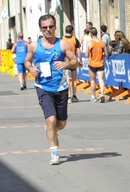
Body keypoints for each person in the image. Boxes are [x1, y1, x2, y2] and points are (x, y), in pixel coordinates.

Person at [24, 14, 78, 165]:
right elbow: (27, 61)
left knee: (61, 124)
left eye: (51, 27)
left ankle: (51, 129)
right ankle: (55, 153)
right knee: (51, 120)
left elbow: (75, 61)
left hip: (61, 87)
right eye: (44, 27)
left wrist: (66, 64)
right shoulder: (34, 45)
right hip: (43, 87)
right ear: (40, 29)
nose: (48, 30)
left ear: (55, 27)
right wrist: (31, 69)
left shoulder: (63, 44)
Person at [62, 25, 83, 104]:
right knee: (74, 79)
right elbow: (78, 51)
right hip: (73, 61)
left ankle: (68, 96)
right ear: (72, 31)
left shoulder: (62, 39)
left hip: (66, 61)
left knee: (67, 78)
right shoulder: (75, 39)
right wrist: (80, 60)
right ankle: (74, 95)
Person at [86, 27, 107, 103]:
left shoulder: (90, 43)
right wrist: (101, 55)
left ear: (91, 34)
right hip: (100, 63)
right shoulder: (102, 43)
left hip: (92, 64)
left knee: (93, 80)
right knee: (101, 79)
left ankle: (94, 96)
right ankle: (102, 94)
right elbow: (106, 53)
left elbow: (86, 54)